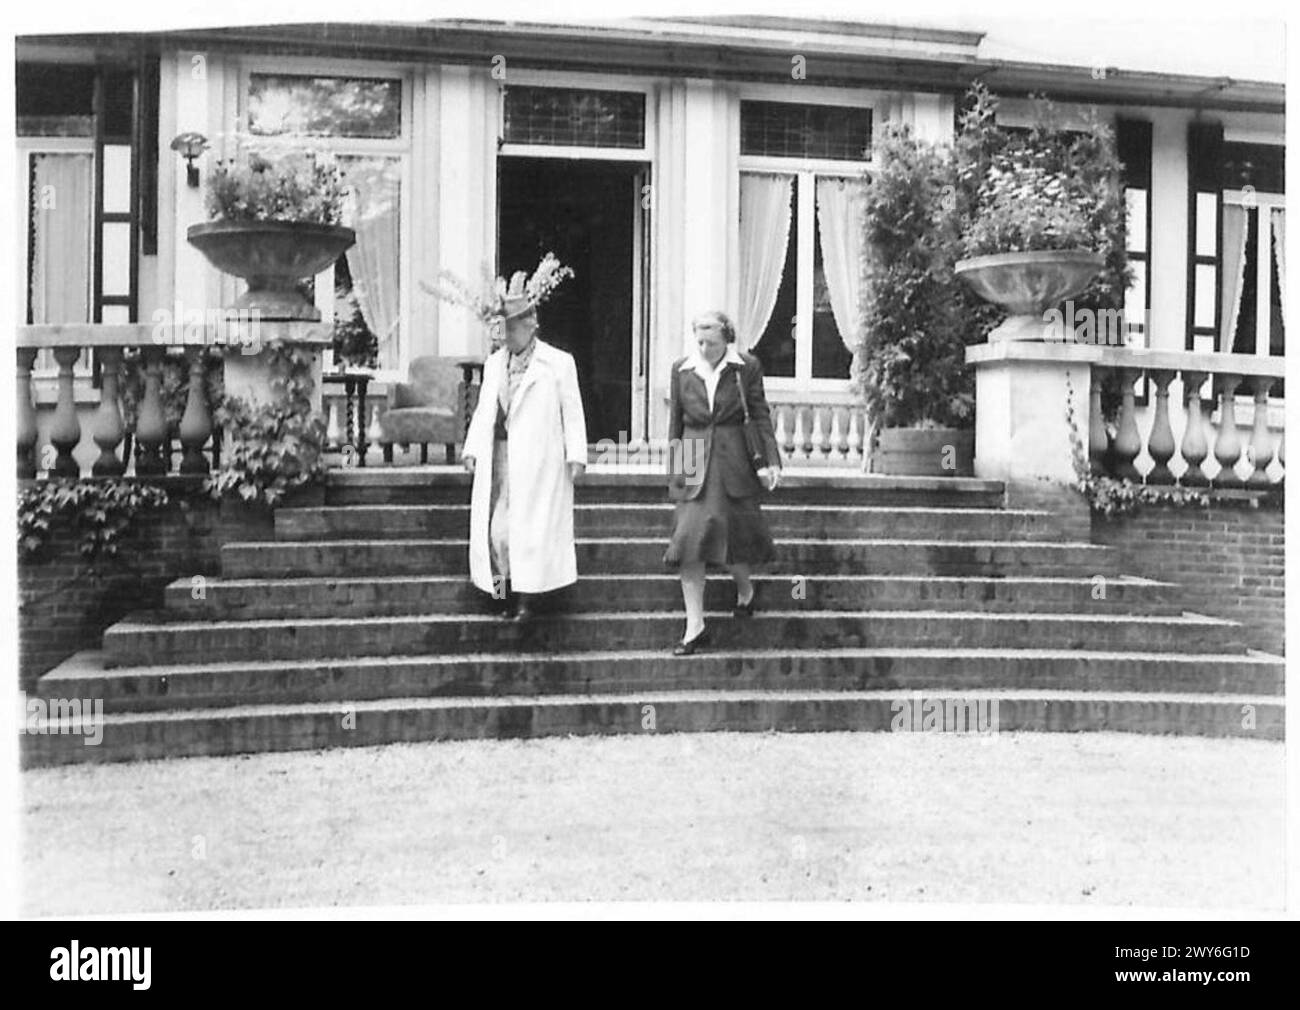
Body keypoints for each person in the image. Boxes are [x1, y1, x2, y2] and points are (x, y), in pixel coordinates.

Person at [663, 310, 782, 654]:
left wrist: (771, 460)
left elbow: (760, 415)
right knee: (688, 540)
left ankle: (744, 589)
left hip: (734, 461)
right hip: (692, 456)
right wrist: (675, 473)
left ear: (726, 338)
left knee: (731, 538)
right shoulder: (681, 369)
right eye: (699, 341)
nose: (704, 348)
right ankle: (694, 626)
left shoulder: (746, 367)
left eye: (711, 343)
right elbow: (676, 423)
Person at [462, 294, 588, 621]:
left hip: (540, 460)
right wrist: (473, 449)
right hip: (500, 458)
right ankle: (501, 596)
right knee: (497, 531)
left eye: (514, 326)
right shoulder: (494, 364)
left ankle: (526, 603)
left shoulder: (558, 363)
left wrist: (576, 455)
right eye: (505, 327)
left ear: (531, 324)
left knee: (531, 531)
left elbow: (572, 412)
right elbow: (484, 410)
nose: (509, 333)